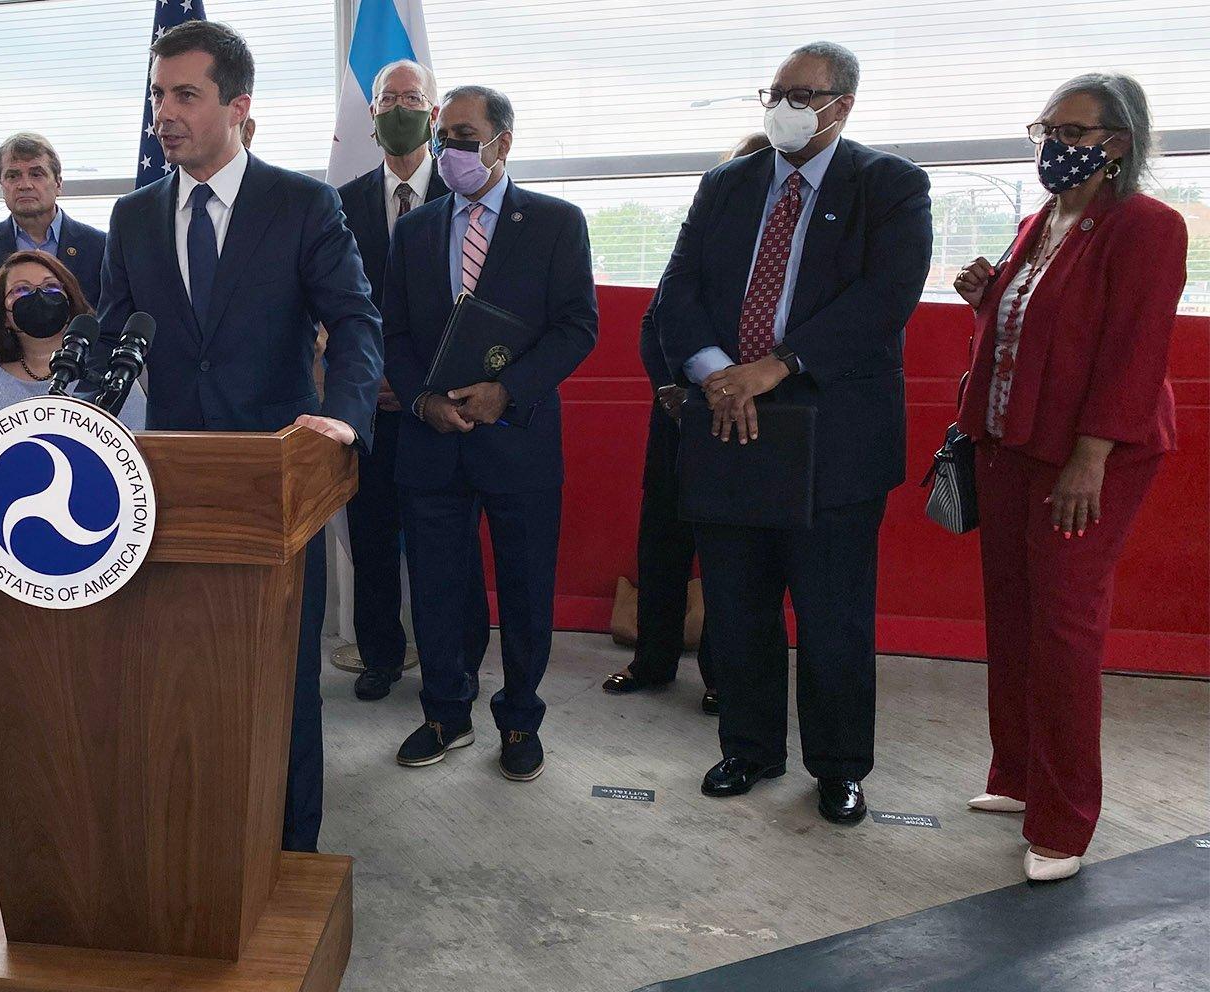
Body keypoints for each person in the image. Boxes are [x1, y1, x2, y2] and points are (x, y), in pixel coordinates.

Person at [97, 20, 382, 853]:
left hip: (276, 486)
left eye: (185, 94)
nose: (165, 113)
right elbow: (114, 341)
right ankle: (204, 843)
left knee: (282, 682)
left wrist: (348, 419)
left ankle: (291, 855)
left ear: (237, 106)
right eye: (157, 94)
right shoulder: (134, 215)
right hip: (170, 488)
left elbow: (356, 321)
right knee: (188, 677)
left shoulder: (302, 205)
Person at [656, 42, 931, 824]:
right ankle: (747, 749)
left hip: (833, 434)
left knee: (833, 613)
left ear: (842, 105)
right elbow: (680, 289)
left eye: (802, 94)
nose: (783, 106)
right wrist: (718, 373)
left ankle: (839, 767)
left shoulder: (889, 185)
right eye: (774, 92)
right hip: (727, 421)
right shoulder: (726, 185)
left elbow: (886, 298)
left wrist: (774, 368)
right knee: (738, 605)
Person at [951, 74, 1185, 882]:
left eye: (1073, 129)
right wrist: (989, 301)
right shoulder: (1039, 220)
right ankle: (1016, 777)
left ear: (1116, 142)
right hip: (1012, 441)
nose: (1055, 142)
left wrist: (1092, 456)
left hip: (1090, 456)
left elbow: (1134, 352)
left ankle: (1064, 821)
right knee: (1012, 611)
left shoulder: (1148, 227)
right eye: (1046, 126)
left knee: (1063, 626)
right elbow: (1034, 335)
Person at [382, 85, 598, 783]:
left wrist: (508, 391)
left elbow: (577, 327)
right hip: (432, 440)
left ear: (504, 142)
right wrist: (421, 402)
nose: (448, 150)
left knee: (526, 588)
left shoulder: (557, 223)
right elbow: (395, 331)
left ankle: (520, 719)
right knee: (441, 588)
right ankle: (447, 711)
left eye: (465, 136)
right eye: (443, 136)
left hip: (519, 436)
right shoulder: (414, 230)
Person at [336, 59, 490, 703]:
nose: (397, 108)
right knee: (371, 538)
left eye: (410, 97)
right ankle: (379, 653)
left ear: (433, 114)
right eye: (386, 98)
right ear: (371, 116)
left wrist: (420, 384)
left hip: (444, 405)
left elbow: (477, 307)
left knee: (448, 543)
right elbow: (335, 308)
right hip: (369, 407)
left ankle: (457, 658)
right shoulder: (338, 205)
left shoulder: (467, 200)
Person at [604, 132, 770, 715]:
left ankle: (723, 674)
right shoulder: (702, 243)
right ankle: (653, 660)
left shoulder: (787, 255)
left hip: (748, 425)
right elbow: (658, 325)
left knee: (732, 557)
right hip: (677, 420)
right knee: (662, 545)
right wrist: (672, 388)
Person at [0, 250, 145, 430]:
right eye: (21, 289)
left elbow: (141, 451)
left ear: (70, 303)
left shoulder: (113, 376)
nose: (39, 295)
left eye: (51, 286)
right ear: (3, 316)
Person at [0, 133, 107, 347]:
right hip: (7, 373)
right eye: (13, 176)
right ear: (2, 186)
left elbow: (110, 319)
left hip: (82, 372)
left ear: (58, 183)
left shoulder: (98, 246)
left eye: (36, 174)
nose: (24, 185)